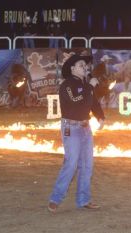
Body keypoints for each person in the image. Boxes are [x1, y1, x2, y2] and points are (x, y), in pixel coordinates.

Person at [48, 54, 105, 213]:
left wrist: (100, 116)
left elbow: (92, 102)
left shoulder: (86, 86)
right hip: (71, 128)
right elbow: (75, 99)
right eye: (81, 65)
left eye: (85, 65)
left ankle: (83, 200)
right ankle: (55, 198)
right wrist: (90, 87)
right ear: (72, 69)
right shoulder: (67, 85)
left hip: (85, 128)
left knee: (87, 165)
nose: (85, 67)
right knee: (71, 163)